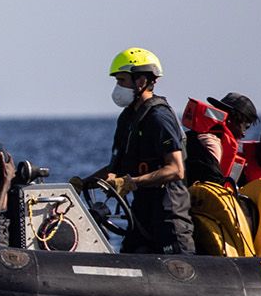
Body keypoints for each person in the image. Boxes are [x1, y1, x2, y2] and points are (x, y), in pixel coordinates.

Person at [74, 47, 192, 254]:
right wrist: (83, 184)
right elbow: (116, 168)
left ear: (141, 81)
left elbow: (176, 170)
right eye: (117, 81)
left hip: (168, 212)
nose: (117, 87)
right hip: (141, 212)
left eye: (122, 81)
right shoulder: (128, 118)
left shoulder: (159, 118)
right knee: (130, 253)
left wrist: (131, 182)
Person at [183, 92, 256, 186]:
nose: (244, 134)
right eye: (246, 126)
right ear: (231, 119)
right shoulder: (211, 143)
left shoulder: (194, 136)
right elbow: (210, 184)